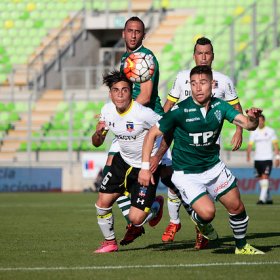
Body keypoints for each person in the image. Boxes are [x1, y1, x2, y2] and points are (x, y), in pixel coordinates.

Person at [138, 65, 265, 255]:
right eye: (194, 83)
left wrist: (253, 118)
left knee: (237, 206)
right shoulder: (180, 110)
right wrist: (145, 167)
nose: (198, 88)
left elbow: (248, 125)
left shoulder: (220, 106)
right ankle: (200, 220)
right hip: (186, 173)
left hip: (213, 167)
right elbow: (151, 135)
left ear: (212, 84)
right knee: (208, 213)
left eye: (203, 83)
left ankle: (241, 246)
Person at [101, 16, 191, 247]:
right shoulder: (125, 59)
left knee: (170, 178)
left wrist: (123, 112)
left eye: (137, 31)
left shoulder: (146, 58)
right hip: (129, 125)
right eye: (129, 31)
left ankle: (199, 220)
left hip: (148, 124)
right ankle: (136, 221)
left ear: (143, 35)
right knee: (111, 173)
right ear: (123, 33)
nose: (133, 35)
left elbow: (146, 96)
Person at [159, 37, 244, 248]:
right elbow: (167, 107)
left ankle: (200, 226)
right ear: (194, 55)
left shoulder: (224, 81)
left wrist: (239, 130)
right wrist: (160, 133)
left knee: (211, 194)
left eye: (207, 53)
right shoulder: (182, 78)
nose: (203, 57)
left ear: (213, 56)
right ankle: (178, 221)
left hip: (208, 149)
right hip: (181, 145)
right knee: (178, 183)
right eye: (200, 53)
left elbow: (236, 107)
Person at [92, 70, 164, 253]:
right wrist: (98, 134)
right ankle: (110, 242)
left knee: (136, 219)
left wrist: (156, 157)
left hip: (144, 167)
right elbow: (97, 142)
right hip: (122, 162)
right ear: (110, 94)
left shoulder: (143, 114)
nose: (120, 94)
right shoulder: (107, 110)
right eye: (116, 90)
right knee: (102, 203)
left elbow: (168, 131)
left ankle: (155, 204)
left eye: (124, 90)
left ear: (131, 92)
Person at [247, 114, 280, 204]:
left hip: (267, 158)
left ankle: (262, 199)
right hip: (257, 159)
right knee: (261, 179)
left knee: (265, 177)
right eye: (258, 121)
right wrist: (248, 155)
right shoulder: (254, 131)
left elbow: (275, 145)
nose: (260, 122)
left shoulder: (270, 131)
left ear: (264, 121)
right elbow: (250, 144)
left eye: (261, 120)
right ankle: (268, 198)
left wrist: (277, 157)